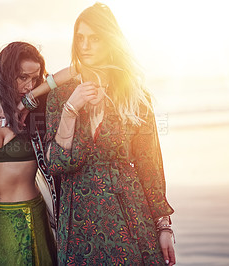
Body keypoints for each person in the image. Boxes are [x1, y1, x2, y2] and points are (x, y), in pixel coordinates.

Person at [41, 3, 176, 265]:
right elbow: (56, 163)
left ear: (110, 41)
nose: (85, 46)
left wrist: (164, 226)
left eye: (94, 38)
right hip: (79, 220)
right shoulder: (59, 95)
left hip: (128, 213)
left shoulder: (134, 95)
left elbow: (150, 165)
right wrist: (71, 109)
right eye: (80, 38)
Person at [0, 41, 61, 266]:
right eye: (22, 77)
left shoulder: (39, 114)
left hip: (32, 216)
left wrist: (29, 100)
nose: (29, 85)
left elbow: (76, 73)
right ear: (5, 75)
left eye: (35, 78)